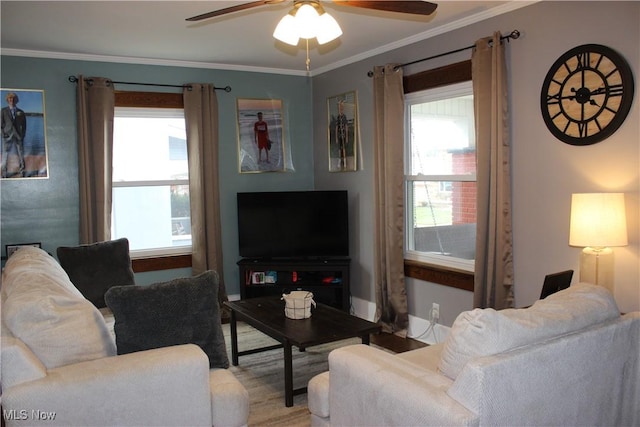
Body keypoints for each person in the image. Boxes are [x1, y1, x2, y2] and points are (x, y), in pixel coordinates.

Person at [1, 92, 27, 177]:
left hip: (18, 136)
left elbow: (24, 125)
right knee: (5, 154)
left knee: (20, 154)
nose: (11, 100)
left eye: (13, 98)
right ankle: (4, 173)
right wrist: (3, 134)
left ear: (16, 100)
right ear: (7, 100)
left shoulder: (21, 112)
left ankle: (22, 171)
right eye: (10, 98)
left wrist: (22, 135)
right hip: (7, 136)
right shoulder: (3, 111)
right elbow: (0, 124)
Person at [334, 100, 348, 170]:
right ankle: (339, 160)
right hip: (339, 135)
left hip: (344, 135)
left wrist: (347, 136)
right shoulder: (338, 117)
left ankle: (345, 161)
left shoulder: (344, 117)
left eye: (342, 108)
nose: (341, 109)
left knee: (344, 148)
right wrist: (336, 137)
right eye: (340, 108)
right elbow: (336, 127)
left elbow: (346, 126)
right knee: (339, 149)